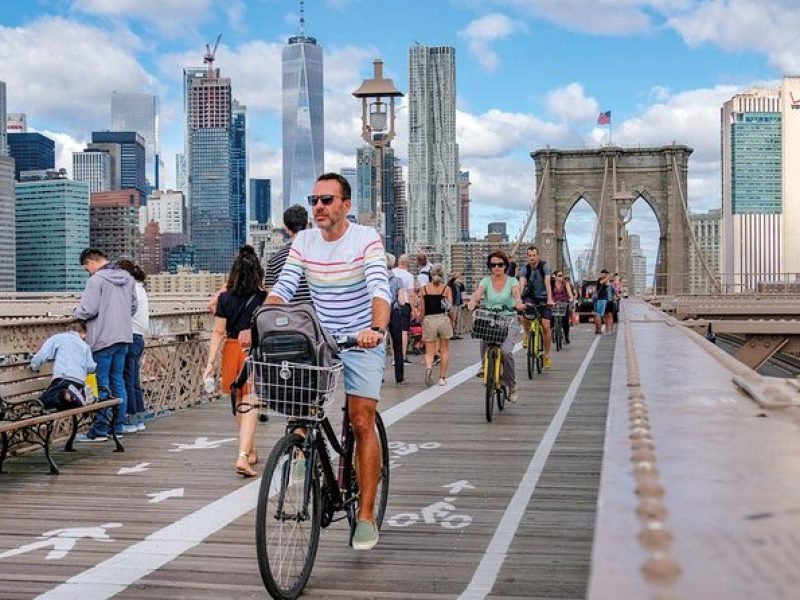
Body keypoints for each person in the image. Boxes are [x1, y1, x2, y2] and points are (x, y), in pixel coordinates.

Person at [267, 172, 390, 551]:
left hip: (360, 337)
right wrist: (262, 322)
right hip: (320, 339)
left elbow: (378, 287)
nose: (318, 206)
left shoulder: (365, 238)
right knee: (300, 408)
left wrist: (376, 328)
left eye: (327, 200)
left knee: (361, 419)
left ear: (346, 206)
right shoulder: (303, 241)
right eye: (314, 200)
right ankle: (303, 454)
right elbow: (284, 287)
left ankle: (366, 515)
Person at [202, 245, 267, 478]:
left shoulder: (225, 298)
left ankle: (250, 450)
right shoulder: (264, 297)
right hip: (253, 352)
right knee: (251, 402)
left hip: (230, 350)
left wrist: (210, 363)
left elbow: (218, 332)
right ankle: (242, 455)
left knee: (239, 401)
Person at [74, 249, 137, 442]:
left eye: (86, 268)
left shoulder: (97, 280)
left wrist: (76, 311)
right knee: (118, 382)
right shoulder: (127, 278)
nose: (88, 272)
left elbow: (88, 309)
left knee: (102, 383)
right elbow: (134, 307)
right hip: (123, 336)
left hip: (102, 338)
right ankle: (117, 426)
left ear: (91, 262)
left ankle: (100, 429)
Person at [467, 250, 525, 403]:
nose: (496, 267)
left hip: (509, 319)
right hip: (491, 318)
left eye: (500, 264)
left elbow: (516, 293)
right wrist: (473, 301)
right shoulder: (486, 281)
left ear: (505, 266)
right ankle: (484, 365)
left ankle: (511, 386)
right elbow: (478, 293)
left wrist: (518, 303)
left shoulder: (512, 281)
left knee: (505, 352)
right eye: (493, 265)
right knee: (483, 333)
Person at [30, 320, 96, 411]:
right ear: (83, 334)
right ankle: (82, 395)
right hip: (79, 382)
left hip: (64, 379)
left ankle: (69, 394)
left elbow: (42, 355)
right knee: (66, 402)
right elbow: (91, 367)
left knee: (43, 401)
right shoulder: (85, 346)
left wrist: (34, 366)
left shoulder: (59, 338)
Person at [117, 260, 149, 431]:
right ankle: (138, 418)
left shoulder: (130, 289)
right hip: (139, 337)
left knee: (126, 379)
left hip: (129, 336)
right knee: (134, 379)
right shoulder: (140, 288)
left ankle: (129, 418)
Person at [264, 204, 311, 301]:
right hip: (319, 315)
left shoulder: (273, 262)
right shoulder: (322, 255)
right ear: (307, 225)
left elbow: (273, 301)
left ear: (286, 228)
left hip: (289, 315)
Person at [518, 245, 554, 368]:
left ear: (538, 256)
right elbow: (521, 283)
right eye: (530, 255)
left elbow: (547, 283)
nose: (532, 257)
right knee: (525, 316)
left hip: (544, 298)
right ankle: (527, 335)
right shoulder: (525, 269)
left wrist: (549, 298)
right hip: (530, 297)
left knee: (546, 326)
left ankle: (546, 355)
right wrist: (519, 300)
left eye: (534, 255)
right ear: (527, 257)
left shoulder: (545, 267)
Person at [418, 263, 453, 386]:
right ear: (442, 275)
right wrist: (453, 320)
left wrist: (422, 322)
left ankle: (428, 368)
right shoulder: (446, 289)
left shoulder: (425, 289)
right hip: (443, 319)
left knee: (429, 351)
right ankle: (442, 378)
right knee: (444, 350)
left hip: (429, 319)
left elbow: (422, 310)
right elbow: (450, 308)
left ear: (431, 275)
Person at [386, 253, 408, 386]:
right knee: (397, 346)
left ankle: (377, 376)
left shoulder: (377, 279)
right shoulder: (398, 280)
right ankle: (399, 378)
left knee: (377, 346)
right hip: (394, 313)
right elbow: (402, 301)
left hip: (379, 313)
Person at [392, 254, 416, 365]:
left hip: (391, 304)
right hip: (404, 304)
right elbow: (411, 295)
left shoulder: (392, 273)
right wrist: (413, 308)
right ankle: (402, 357)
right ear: (407, 263)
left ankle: (394, 358)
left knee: (391, 332)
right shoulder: (409, 276)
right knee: (403, 331)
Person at [550, 270, 575, 344]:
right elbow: (549, 294)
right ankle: (553, 329)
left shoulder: (565, 284)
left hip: (564, 303)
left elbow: (570, 294)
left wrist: (570, 299)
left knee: (565, 320)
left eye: (562, 275)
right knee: (550, 318)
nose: (561, 277)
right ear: (555, 277)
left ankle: (566, 336)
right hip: (554, 303)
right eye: (559, 275)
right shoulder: (551, 284)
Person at [594, 269, 614, 335]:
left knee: (608, 315)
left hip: (607, 300)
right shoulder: (600, 280)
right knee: (601, 315)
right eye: (605, 274)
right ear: (602, 274)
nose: (606, 275)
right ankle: (600, 330)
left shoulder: (608, 282)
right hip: (601, 299)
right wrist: (608, 276)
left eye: (606, 274)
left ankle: (608, 330)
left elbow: (612, 290)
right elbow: (602, 282)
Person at [446, 271, 465, 339]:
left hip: (458, 304)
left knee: (457, 320)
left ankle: (455, 333)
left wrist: (461, 282)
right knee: (452, 319)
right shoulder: (450, 284)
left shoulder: (458, 285)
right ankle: (451, 334)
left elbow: (463, 289)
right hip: (453, 304)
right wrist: (455, 275)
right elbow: (452, 280)